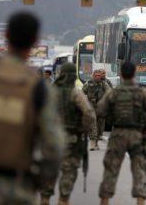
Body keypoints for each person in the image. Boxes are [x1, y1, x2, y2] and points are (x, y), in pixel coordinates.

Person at [0, 11, 65, 204]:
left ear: (6, 35)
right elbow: (55, 147)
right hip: (17, 187)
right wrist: (37, 181)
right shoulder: (39, 88)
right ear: (35, 42)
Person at [97, 61, 146, 205]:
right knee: (139, 171)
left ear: (121, 74)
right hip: (137, 135)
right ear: (134, 74)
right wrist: (145, 129)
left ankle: (105, 200)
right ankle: (140, 201)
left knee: (111, 169)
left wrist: (112, 119)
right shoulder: (141, 92)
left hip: (118, 133)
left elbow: (100, 110)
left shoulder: (114, 92)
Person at [40, 62, 95, 205]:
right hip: (70, 139)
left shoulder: (48, 91)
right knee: (68, 174)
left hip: (49, 139)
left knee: (48, 173)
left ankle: (45, 199)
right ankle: (63, 200)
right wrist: (83, 129)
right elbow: (89, 114)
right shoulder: (75, 93)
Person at [82, 69, 110, 150]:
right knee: (92, 124)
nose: (97, 77)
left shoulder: (104, 84)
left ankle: (96, 141)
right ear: (93, 76)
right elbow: (82, 93)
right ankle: (92, 142)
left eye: (99, 75)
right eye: (96, 76)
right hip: (91, 107)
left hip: (100, 108)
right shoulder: (88, 83)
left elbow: (109, 93)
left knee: (100, 125)